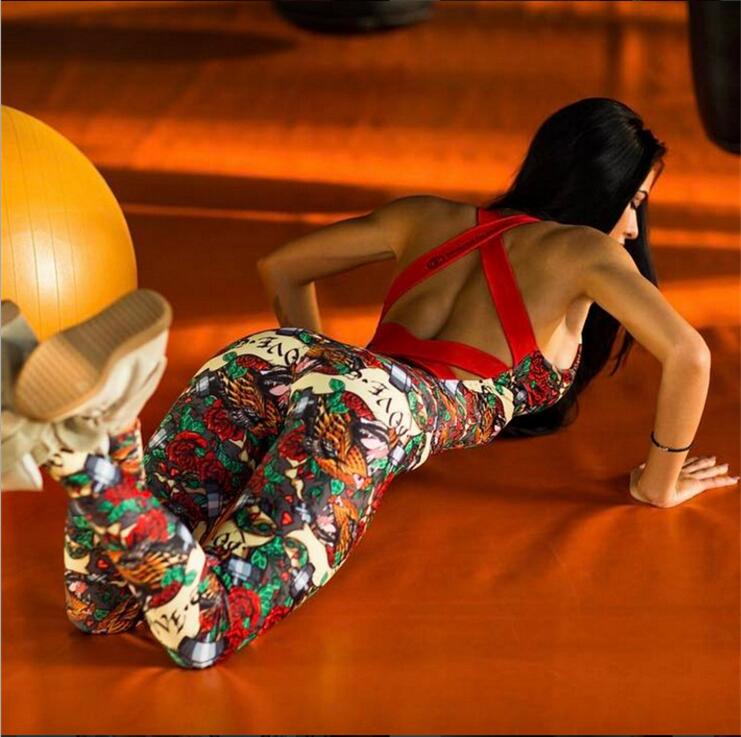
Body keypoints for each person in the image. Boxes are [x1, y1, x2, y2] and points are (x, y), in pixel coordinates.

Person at [1, 97, 737, 670]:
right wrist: (657, 482)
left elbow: (282, 266)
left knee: (99, 607)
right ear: (601, 189)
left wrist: (314, 376)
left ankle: (110, 441)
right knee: (205, 631)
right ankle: (93, 453)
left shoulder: (428, 215)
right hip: (370, 408)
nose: (633, 227)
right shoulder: (585, 251)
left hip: (273, 358)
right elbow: (689, 355)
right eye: (635, 201)